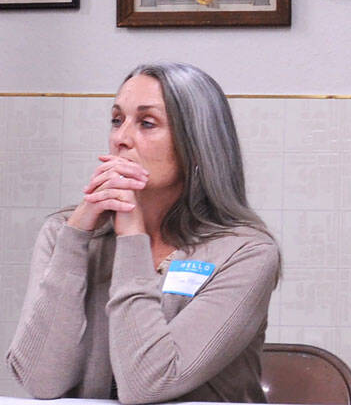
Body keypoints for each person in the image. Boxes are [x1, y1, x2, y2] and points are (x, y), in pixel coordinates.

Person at [6, 62, 280, 403]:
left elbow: (148, 385)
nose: (121, 139)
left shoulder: (245, 252)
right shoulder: (64, 233)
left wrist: (132, 239)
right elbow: (39, 382)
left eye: (147, 123)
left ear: (196, 147)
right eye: (117, 120)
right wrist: (75, 237)